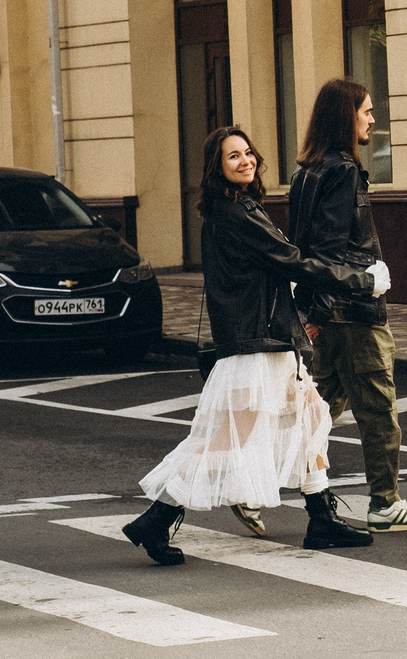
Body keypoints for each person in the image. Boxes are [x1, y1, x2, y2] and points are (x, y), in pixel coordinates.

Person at [122, 125, 375, 563]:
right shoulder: (238, 214)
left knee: (310, 420)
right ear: (217, 168)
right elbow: (294, 262)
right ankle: (155, 520)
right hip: (256, 346)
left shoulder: (234, 209)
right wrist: (363, 281)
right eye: (233, 156)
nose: (245, 161)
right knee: (222, 444)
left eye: (247, 152)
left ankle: (321, 519)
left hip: (265, 339)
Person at [288, 78, 407, 533]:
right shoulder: (343, 171)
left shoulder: (306, 171)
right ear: (346, 116)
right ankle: (385, 504)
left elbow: (306, 247)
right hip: (353, 311)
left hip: (326, 310)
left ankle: (250, 490)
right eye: (366, 111)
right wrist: (327, 310)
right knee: (378, 412)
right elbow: (330, 250)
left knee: (319, 410)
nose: (373, 120)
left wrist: (313, 312)